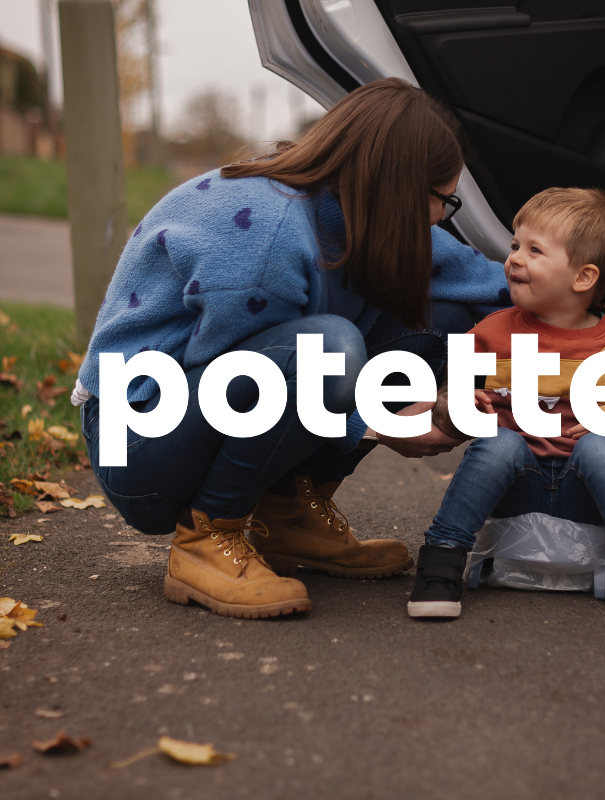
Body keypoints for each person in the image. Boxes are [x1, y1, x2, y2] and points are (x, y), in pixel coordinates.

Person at [72, 78, 509, 620]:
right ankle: (208, 536)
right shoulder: (266, 239)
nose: (443, 217)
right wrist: (376, 423)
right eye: (445, 201)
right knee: (328, 347)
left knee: (444, 319)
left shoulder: (352, 210)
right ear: (399, 192)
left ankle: (288, 513)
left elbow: (495, 290)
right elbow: (229, 383)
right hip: (138, 441)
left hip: (208, 399)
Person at [408, 188, 605, 632]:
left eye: (534, 250)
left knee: (601, 445)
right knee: (498, 442)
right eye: (515, 245)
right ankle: (440, 564)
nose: (514, 259)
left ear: (582, 277)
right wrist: (460, 405)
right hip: (517, 491)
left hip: (589, 494)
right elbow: (449, 400)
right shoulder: (489, 332)